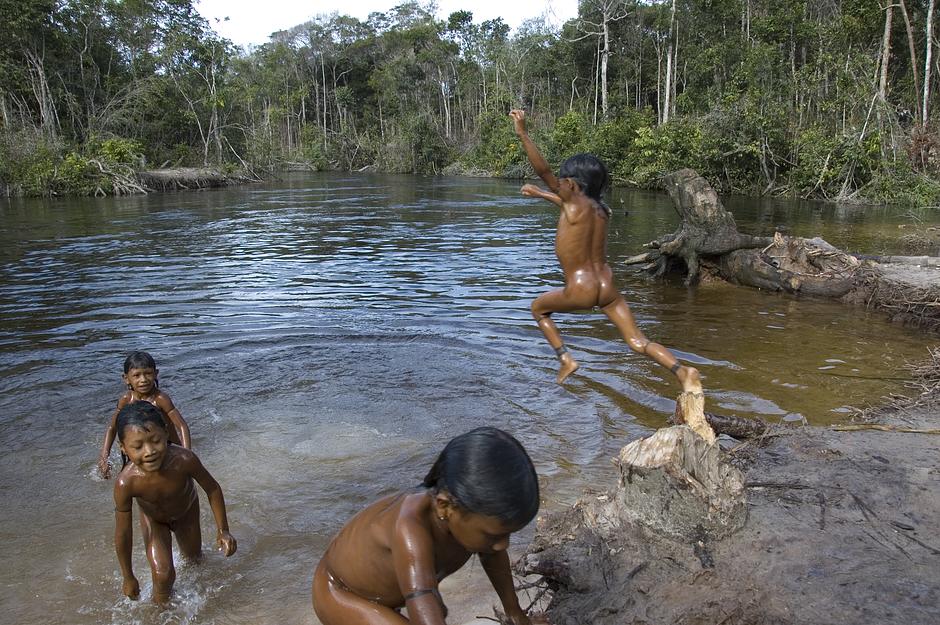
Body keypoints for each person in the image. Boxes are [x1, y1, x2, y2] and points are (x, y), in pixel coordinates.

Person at [509, 109, 703, 393]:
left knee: (538, 309)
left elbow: (544, 172)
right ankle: (683, 371)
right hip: (607, 286)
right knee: (638, 341)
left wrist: (523, 133)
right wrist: (540, 195)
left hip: (581, 288)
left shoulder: (572, 204)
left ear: (572, 185)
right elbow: (567, 204)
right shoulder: (602, 210)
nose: (558, 186)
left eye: (563, 183)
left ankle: (565, 359)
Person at [312, 426, 545, 625]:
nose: (502, 544)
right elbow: (422, 597)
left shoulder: (468, 518)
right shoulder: (410, 528)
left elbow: (494, 558)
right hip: (341, 592)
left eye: (508, 535)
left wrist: (516, 615)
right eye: (494, 536)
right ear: (445, 507)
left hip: (394, 593)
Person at [112, 401, 236, 604]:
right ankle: (159, 614)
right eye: (138, 446)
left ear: (166, 434)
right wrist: (128, 576)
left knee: (194, 560)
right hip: (155, 522)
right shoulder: (126, 482)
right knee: (163, 575)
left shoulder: (184, 460)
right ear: (124, 448)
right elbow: (123, 532)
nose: (149, 451)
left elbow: (212, 489)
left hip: (186, 514)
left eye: (156, 441)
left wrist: (223, 530)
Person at [98, 351, 191, 478]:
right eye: (136, 375)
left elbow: (182, 426)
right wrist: (104, 456)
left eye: (148, 373)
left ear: (156, 374)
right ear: (126, 379)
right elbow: (112, 428)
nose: (143, 380)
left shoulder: (160, 399)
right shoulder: (126, 400)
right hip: (143, 451)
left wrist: (186, 454)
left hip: (167, 447)